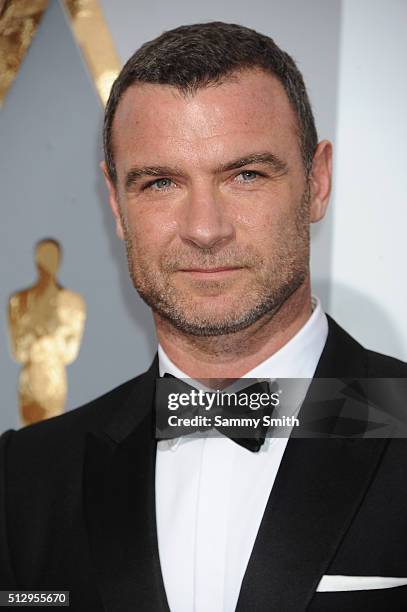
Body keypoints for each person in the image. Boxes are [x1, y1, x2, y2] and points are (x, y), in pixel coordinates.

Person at [1, 21, 407, 612]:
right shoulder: (24, 479)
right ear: (117, 205)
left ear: (316, 183)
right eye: (160, 182)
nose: (204, 229)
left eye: (246, 175)